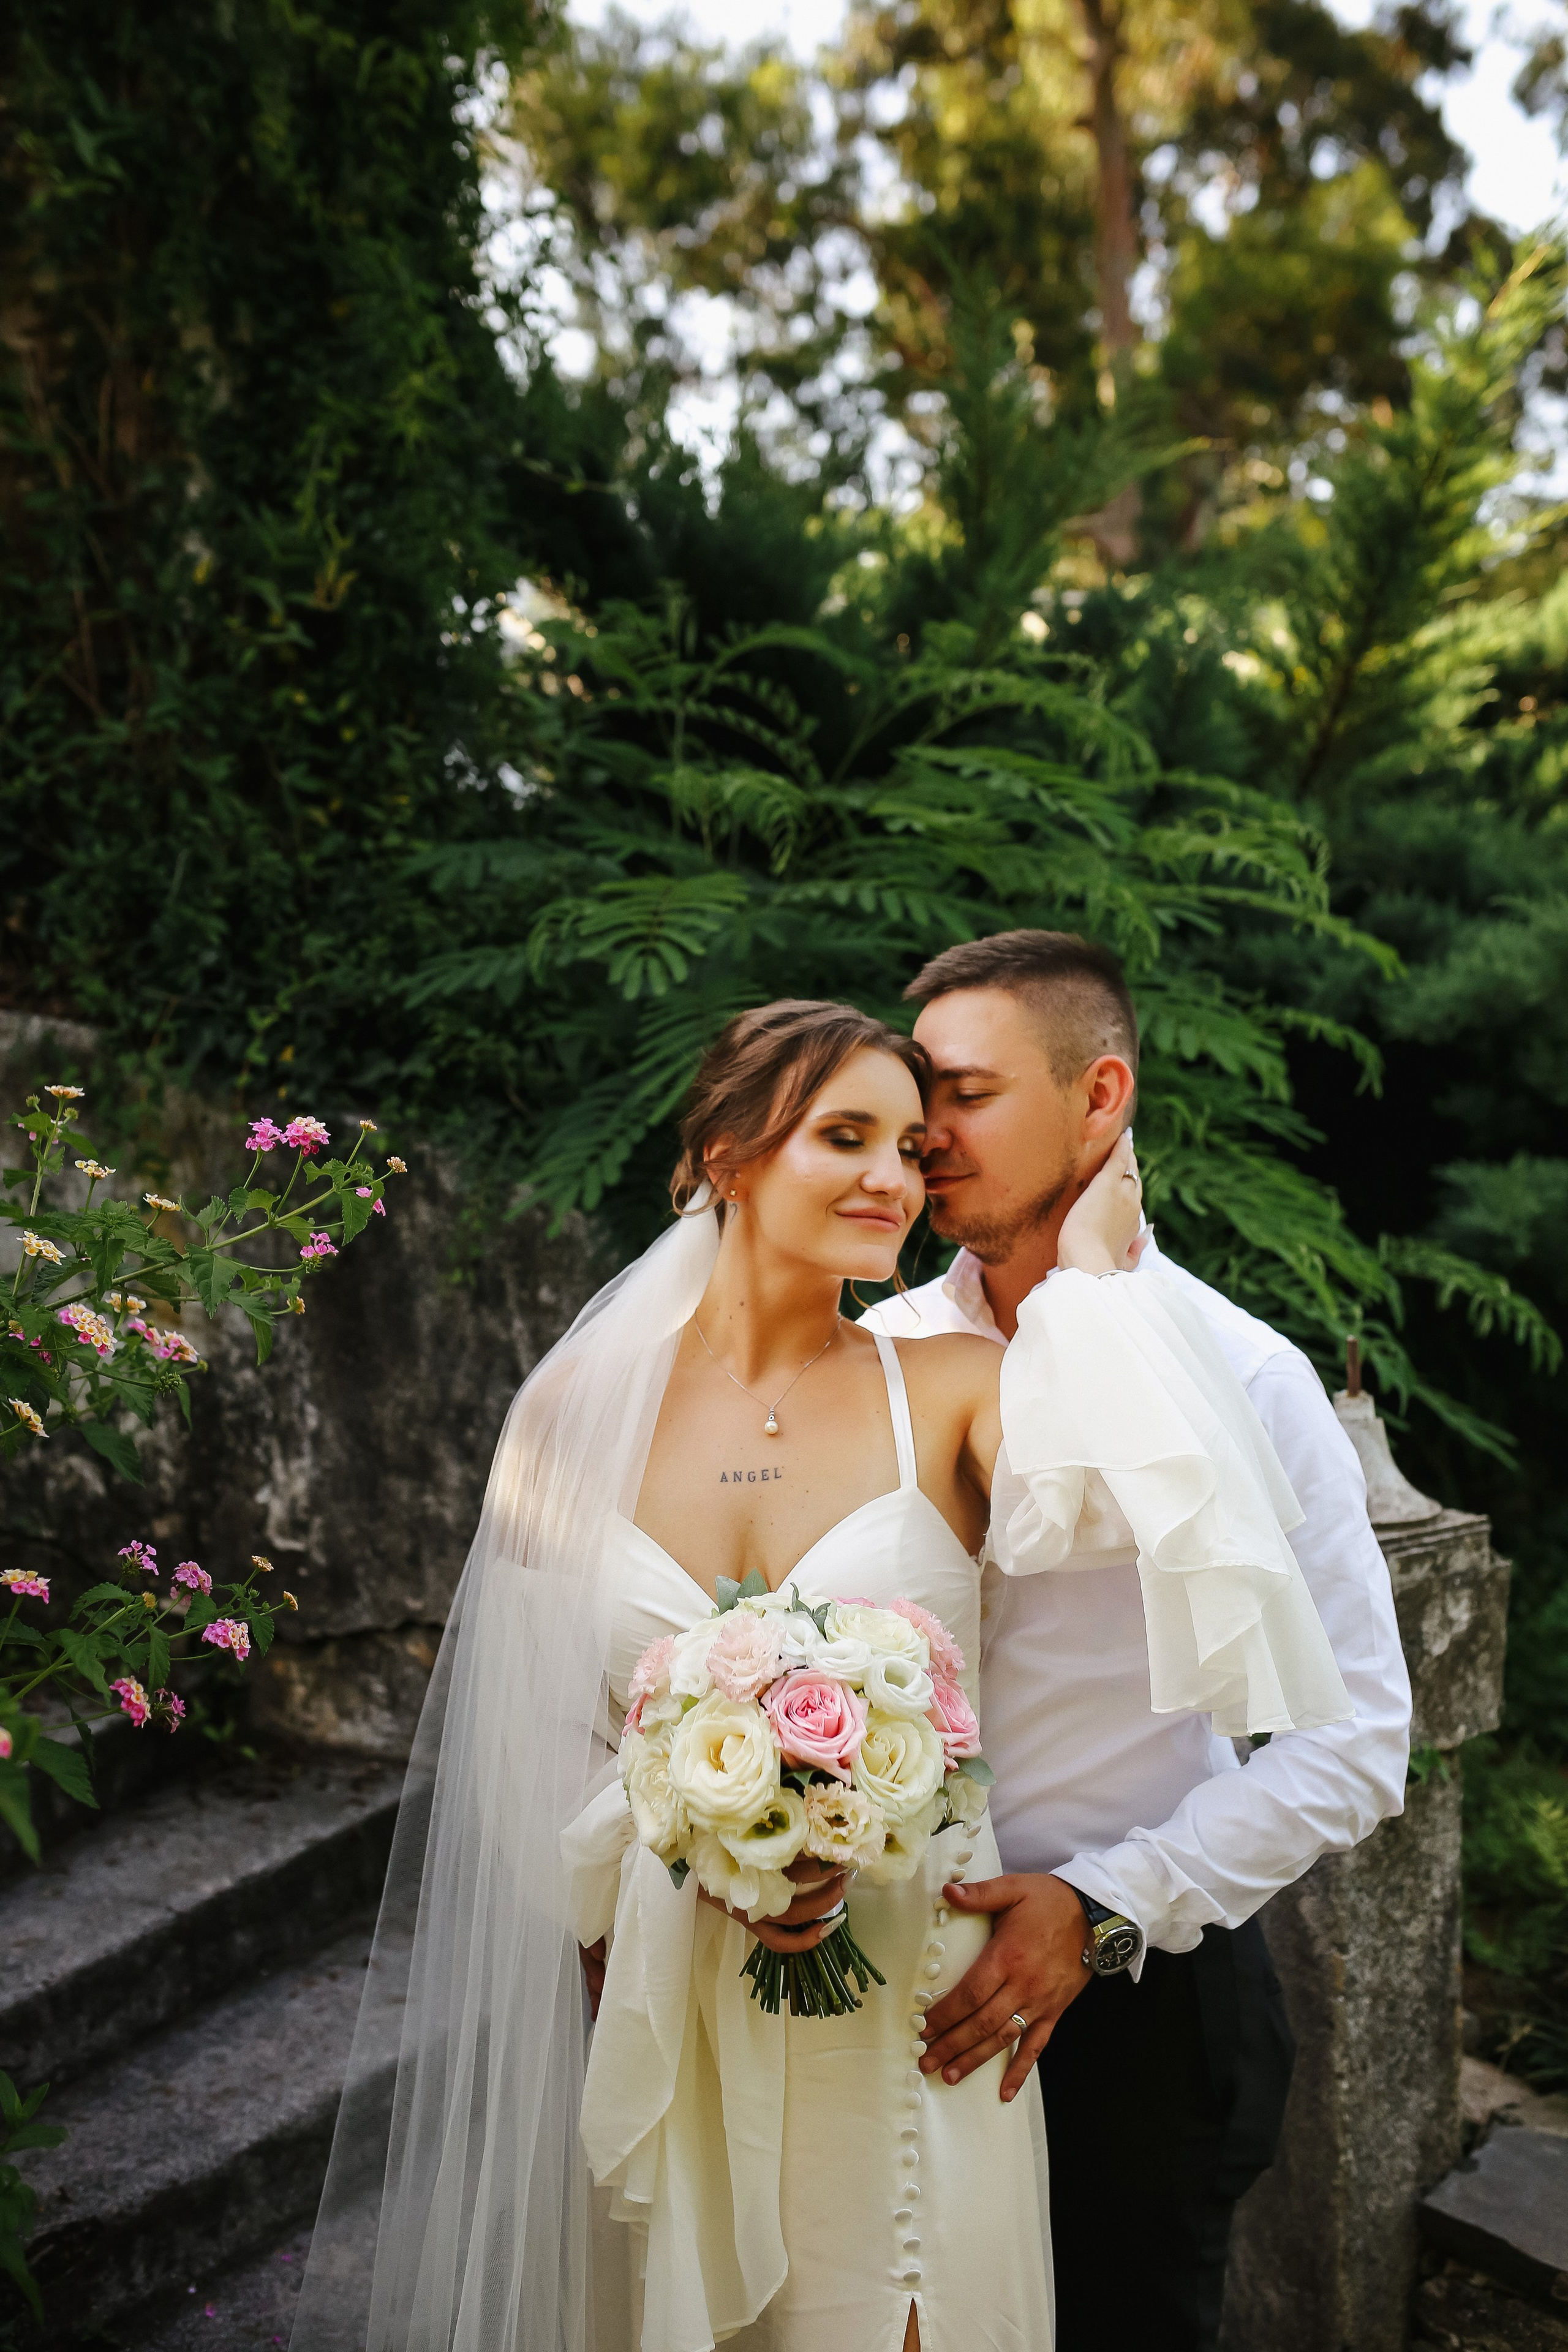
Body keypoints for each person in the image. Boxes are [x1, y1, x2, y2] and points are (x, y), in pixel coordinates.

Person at [290, 996, 1352, 2352]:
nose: (893, 1179)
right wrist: (688, 1852)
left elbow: (1193, 1508)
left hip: (913, 2012)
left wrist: (1096, 1265)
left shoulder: (960, 1384)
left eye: (911, 1148)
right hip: (673, 1996)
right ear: (726, 1154)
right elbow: (533, 1734)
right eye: (844, 1137)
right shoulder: (565, 1415)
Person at [861, 930, 1413, 2352]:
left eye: (966, 1095)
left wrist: (1099, 1909)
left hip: (1136, 2012)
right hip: (878, 1985)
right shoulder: (874, 1352)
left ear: (1098, 1097)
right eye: (916, 1092)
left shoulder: (1245, 1376)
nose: (924, 1137)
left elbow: (1356, 1742)